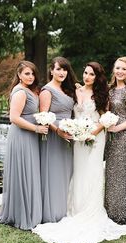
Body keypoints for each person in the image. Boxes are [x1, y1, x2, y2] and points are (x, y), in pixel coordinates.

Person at [32, 62, 126, 243]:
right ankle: (75, 209)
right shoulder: (76, 91)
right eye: (85, 72)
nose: (87, 76)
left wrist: (90, 134)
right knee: (78, 171)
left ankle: (92, 211)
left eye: (92, 74)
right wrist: (75, 131)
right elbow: (72, 115)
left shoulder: (102, 94)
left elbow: (105, 119)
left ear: (97, 77)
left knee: (93, 171)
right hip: (77, 138)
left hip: (95, 137)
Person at [0, 61, 49, 230]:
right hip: (21, 136)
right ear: (19, 75)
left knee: (29, 172)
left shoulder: (30, 91)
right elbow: (14, 118)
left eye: (32, 74)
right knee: (23, 172)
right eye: (27, 73)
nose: (31, 77)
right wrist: (36, 128)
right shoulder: (19, 92)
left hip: (30, 136)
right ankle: (22, 214)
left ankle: (27, 211)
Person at [39, 56, 77, 223]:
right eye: (58, 69)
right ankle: (52, 211)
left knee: (66, 172)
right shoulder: (47, 91)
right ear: (51, 71)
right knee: (54, 173)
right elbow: (44, 116)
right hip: (54, 138)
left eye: (64, 69)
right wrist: (58, 130)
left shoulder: (66, 89)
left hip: (68, 136)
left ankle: (64, 208)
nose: (62, 72)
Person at [104, 57, 126, 225]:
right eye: (117, 68)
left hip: (123, 136)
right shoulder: (110, 90)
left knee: (121, 174)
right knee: (111, 173)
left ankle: (122, 214)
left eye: (124, 69)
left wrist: (117, 128)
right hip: (109, 136)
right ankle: (109, 211)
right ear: (114, 69)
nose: (120, 71)